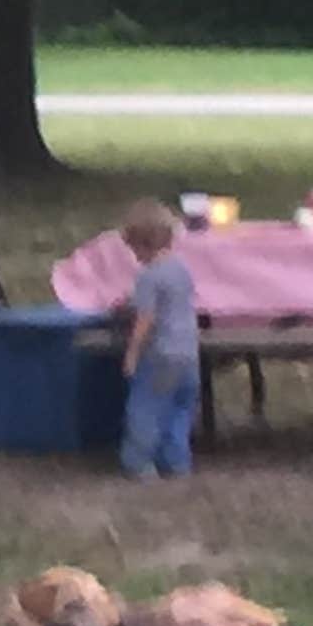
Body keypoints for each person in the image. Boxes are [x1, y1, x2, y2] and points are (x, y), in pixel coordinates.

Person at [116, 199, 202, 479]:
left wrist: (132, 353)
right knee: (179, 411)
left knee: (146, 410)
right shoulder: (181, 269)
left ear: (141, 245)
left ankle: (139, 463)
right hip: (188, 353)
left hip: (159, 356)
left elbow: (146, 320)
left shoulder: (148, 277)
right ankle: (177, 462)